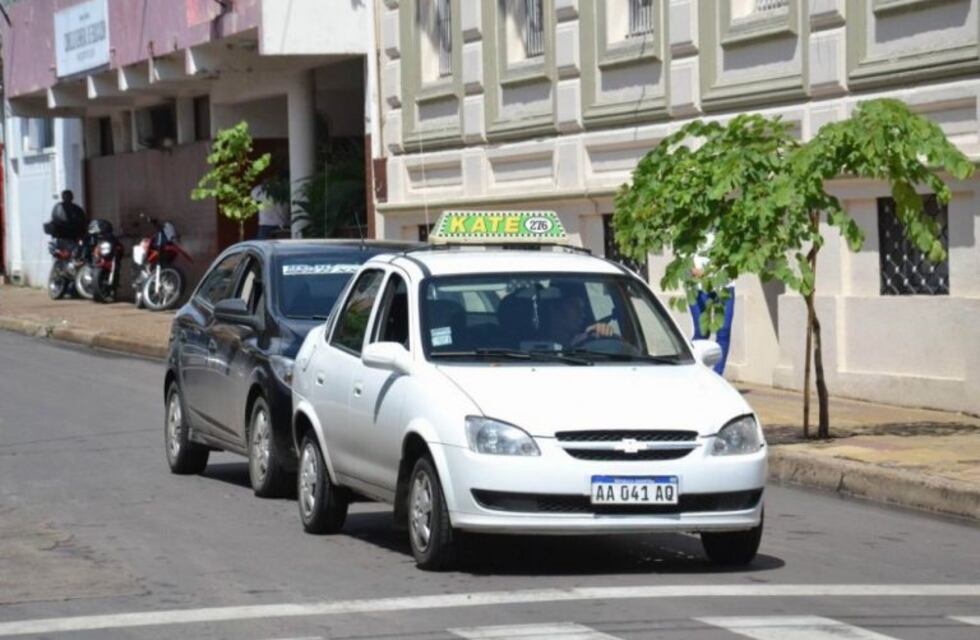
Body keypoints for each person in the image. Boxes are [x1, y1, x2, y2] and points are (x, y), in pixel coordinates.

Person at [690, 232, 735, 375]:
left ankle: (717, 376)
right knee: (702, 332)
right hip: (699, 283)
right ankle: (693, 370)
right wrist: (692, 268)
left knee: (724, 330)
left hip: (724, 282)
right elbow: (681, 243)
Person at [545, 295, 615, 348]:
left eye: (582, 309)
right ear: (555, 310)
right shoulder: (538, 348)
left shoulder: (582, 342)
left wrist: (599, 332)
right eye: (575, 307)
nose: (582, 315)